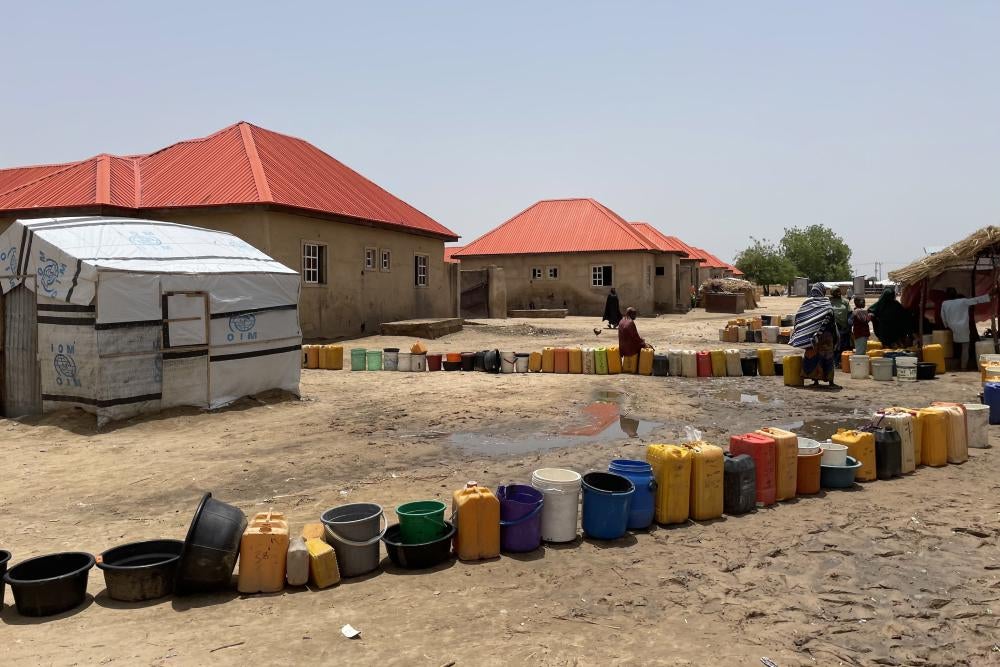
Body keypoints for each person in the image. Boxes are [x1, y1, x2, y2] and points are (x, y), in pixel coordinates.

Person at [790, 285, 839, 387]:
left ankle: (815, 381)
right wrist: (835, 337)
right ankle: (830, 381)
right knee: (827, 358)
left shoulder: (806, 303)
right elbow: (832, 319)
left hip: (812, 337)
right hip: (826, 337)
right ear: (822, 292)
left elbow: (799, 317)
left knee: (814, 357)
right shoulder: (826, 303)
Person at [941, 286, 996, 370]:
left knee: (950, 348)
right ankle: (963, 367)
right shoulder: (963, 301)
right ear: (956, 294)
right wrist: (990, 295)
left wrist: (946, 326)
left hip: (951, 327)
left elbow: (943, 316)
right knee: (965, 347)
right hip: (962, 327)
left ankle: (951, 366)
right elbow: (977, 300)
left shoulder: (944, 303)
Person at [829, 287, 851, 353]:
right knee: (833, 344)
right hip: (832, 327)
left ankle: (840, 360)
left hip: (843, 327)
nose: (838, 293)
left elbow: (850, 312)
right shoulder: (829, 301)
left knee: (842, 345)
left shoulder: (845, 301)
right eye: (836, 291)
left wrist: (849, 325)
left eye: (839, 291)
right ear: (832, 293)